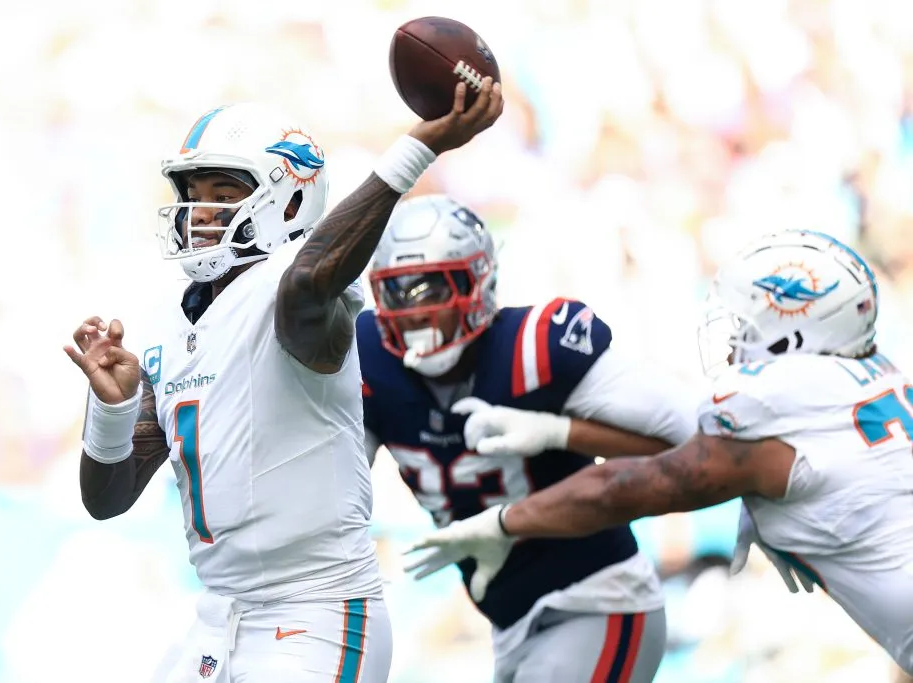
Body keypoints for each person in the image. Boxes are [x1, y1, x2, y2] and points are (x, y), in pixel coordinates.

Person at [62, 79, 504, 683]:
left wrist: (416, 148)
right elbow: (104, 501)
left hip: (316, 610)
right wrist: (112, 414)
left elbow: (306, 282)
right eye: (193, 192)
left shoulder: (297, 292)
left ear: (290, 201)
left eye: (224, 192)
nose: (200, 211)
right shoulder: (167, 318)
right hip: (217, 614)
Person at [405, 229, 913, 675]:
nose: (734, 341)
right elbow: (696, 445)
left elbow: (619, 492)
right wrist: (560, 433)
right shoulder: (871, 375)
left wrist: (503, 523)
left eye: (747, 326)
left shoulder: (770, 401)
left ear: (794, 333)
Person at [359, 195, 699, 682]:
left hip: (597, 600)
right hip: (511, 620)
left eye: (431, 289)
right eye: (397, 294)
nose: (414, 312)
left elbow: (694, 437)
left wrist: (558, 431)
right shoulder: (369, 356)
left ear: (477, 280)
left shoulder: (537, 346)